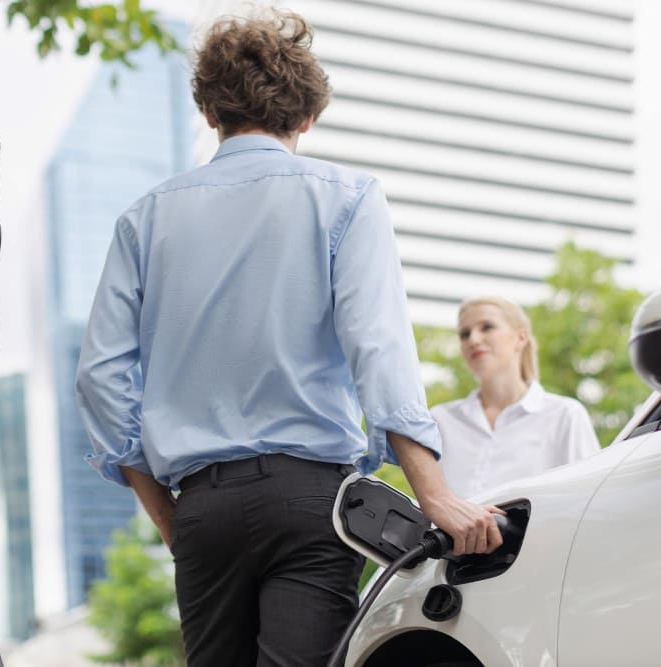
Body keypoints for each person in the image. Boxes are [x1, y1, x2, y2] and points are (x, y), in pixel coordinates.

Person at [75, 9, 502, 667]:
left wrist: (168, 514)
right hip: (311, 503)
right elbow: (378, 346)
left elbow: (100, 376)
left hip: (203, 508)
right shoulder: (346, 198)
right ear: (306, 117)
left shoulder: (144, 220)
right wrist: (433, 491)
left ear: (210, 113)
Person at [432, 296, 600, 498]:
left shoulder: (564, 415)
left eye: (487, 327)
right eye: (465, 334)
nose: (473, 340)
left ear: (521, 338)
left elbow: (588, 497)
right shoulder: (441, 419)